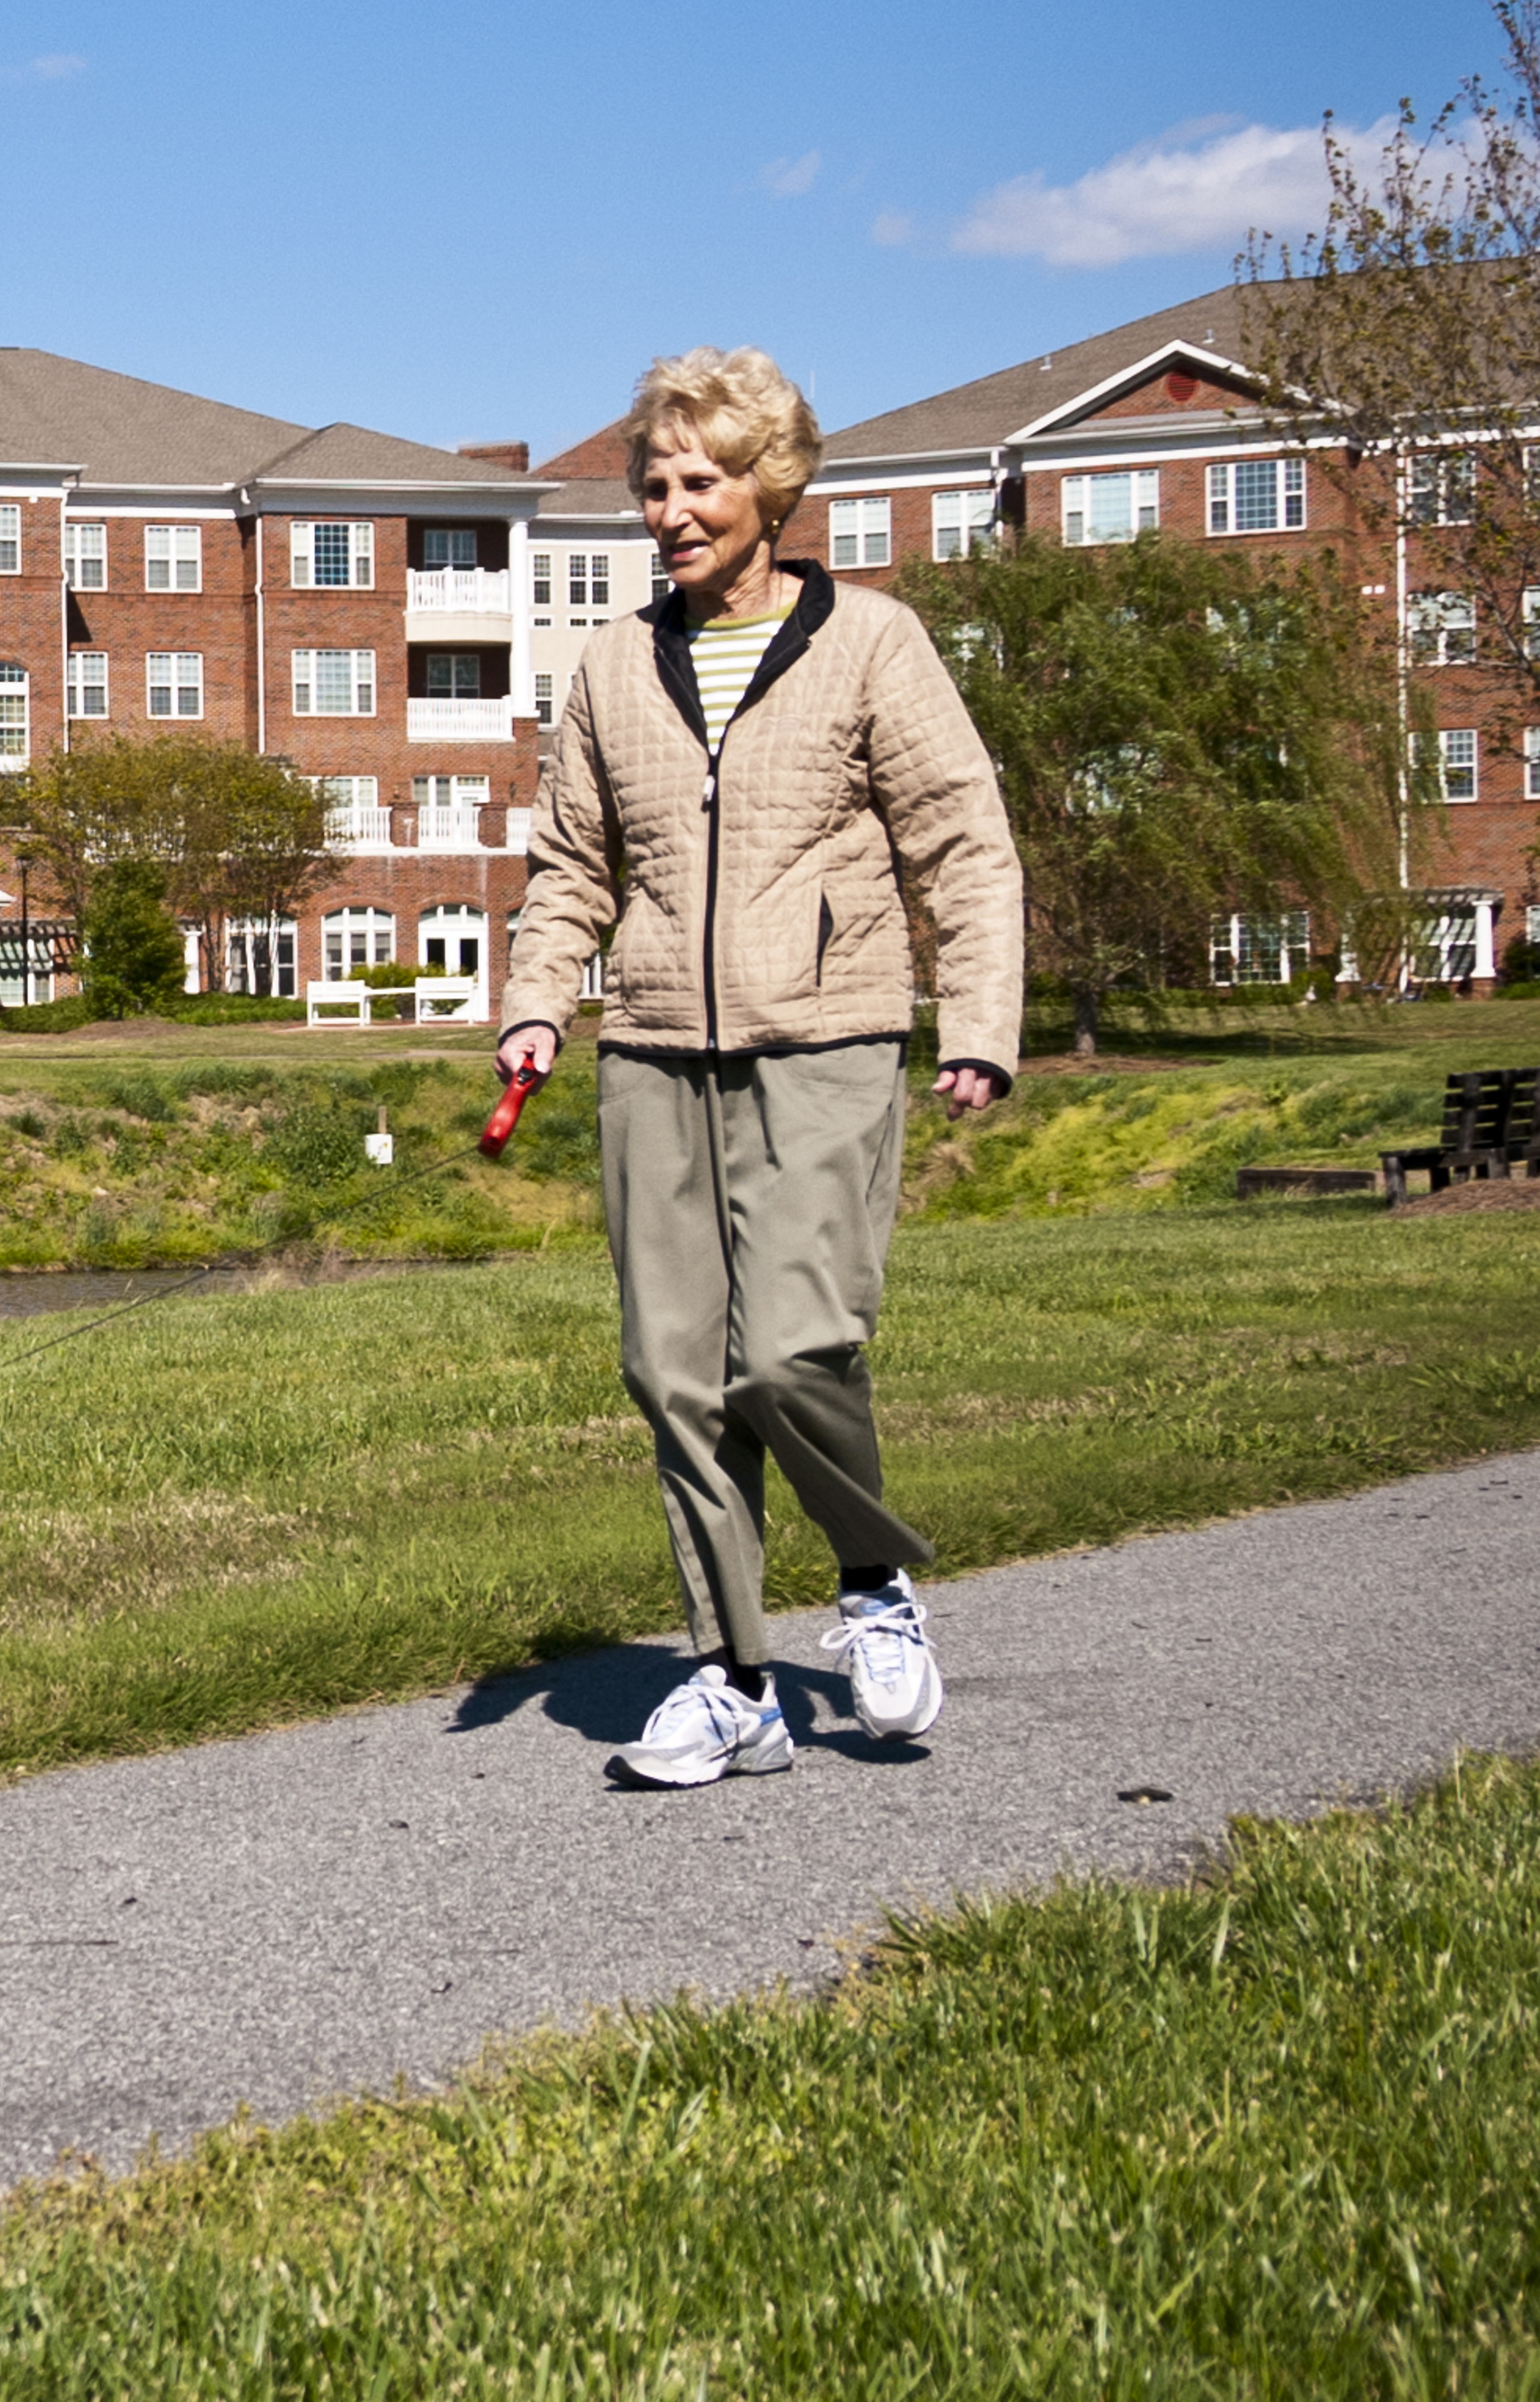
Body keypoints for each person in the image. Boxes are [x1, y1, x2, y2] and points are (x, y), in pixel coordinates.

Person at [499, 348, 1024, 1787]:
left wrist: (979, 1022)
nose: (673, 510)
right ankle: (737, 1682)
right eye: (655, 486)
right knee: (675, 1375)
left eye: (703, 482)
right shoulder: (614, 664)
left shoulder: (870, 640)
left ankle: (871, 1581)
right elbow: (571, 869)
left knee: (792, 1352)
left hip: (832, 1033)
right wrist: (538, 1002)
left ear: (772, 489)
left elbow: (962, 842)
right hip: (658, 1047)